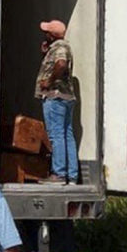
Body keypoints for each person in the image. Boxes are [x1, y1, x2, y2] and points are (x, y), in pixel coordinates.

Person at [35, 19, 79, 185]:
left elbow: (61, 65)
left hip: (55, 97)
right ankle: (72, 176)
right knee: (67, 135)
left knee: (56, 135)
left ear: (52, 35)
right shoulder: (60, 47)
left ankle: (59, 174)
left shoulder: (60, 47)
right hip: (66, 98)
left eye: (47, 31)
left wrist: (49, 82)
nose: (45, 34)